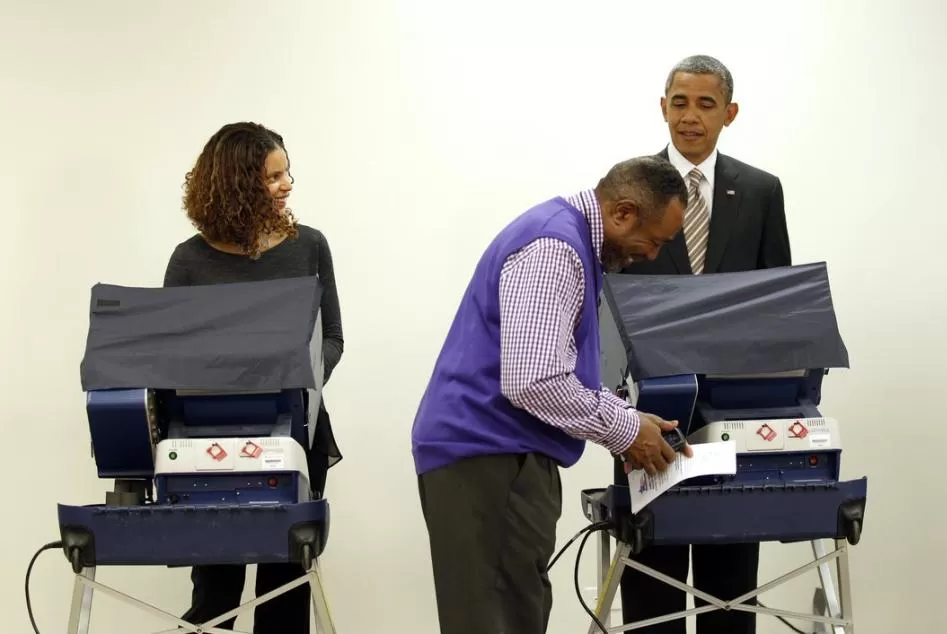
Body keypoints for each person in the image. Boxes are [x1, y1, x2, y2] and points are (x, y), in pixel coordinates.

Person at [411, 155, 693, 634]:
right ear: (622, 212)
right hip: (491, 456)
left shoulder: (564, 236)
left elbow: (554, 370)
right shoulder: (555, 248)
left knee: (510, 610)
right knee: (502, 619)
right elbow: (535, 381)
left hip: (494, 458)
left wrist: (630, 416)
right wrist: (626, 431)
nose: (652, 254)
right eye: (654, 240)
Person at [617, 55, 792, 634]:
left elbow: (776, 304)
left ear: (730, 113)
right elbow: (607, 306)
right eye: (679, 102)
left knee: (731, 587)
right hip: (646, 416)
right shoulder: (628, 190)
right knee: (652, 585)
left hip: (736, 418)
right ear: (662, 108)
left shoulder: (762, 192)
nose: (690, 116)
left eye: (705, 104)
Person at [162, 121, 345, 634]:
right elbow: (171, 357)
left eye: (288, 172)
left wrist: (295, 381)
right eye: (273, 177)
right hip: (209, 445)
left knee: (286, 590)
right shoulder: (189, 261)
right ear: (239, 186)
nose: (288, 184)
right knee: (215, 594)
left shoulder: (309, 246)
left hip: (296, 437)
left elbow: (332, 337)